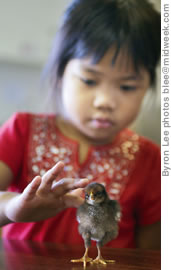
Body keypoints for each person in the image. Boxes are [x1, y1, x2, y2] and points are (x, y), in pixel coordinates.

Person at [0, 0, 161, 249]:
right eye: (89, 80)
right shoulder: (21, 130)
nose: (105, 101)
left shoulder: (151, 159)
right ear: (61, 74)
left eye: (127, 86)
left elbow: (153, 254)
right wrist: (12, 208)